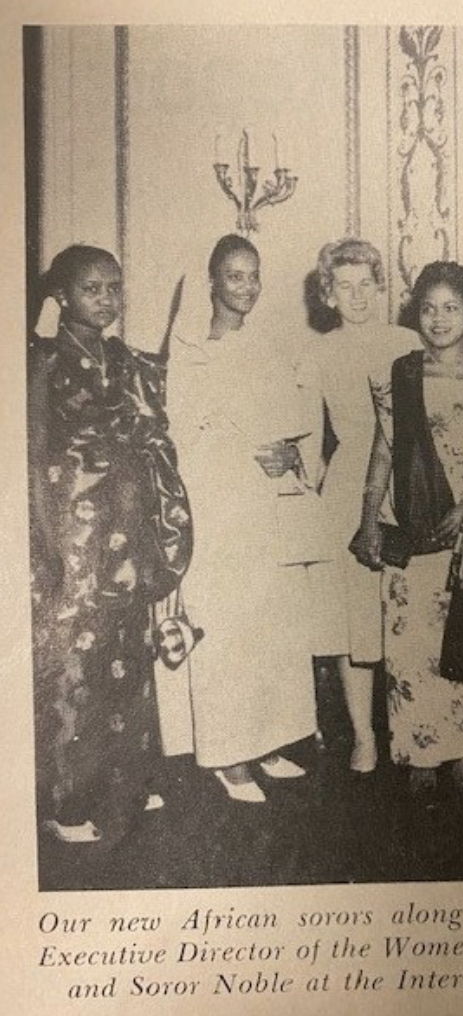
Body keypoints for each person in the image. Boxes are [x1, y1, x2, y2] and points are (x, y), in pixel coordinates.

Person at [28, 244, 192, 845]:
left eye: (113, 288)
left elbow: (155, 432)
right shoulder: (42, 361)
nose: (105, 299)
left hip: (128, 533)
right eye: (91, 289)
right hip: (73, 538)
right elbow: (32, 452)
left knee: (130, 654)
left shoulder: (126, 360)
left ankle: (126, 782)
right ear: (62, 296)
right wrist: (43, 541)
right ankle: (68, 801)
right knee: (77, 661)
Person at [353, 261, 463, 798]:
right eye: (428, 308)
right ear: (415, 314)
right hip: (412, 528)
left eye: (451, 308)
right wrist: (369, 520)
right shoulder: (399, 374)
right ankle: (421, 751)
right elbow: (383, 451)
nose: (439, 319)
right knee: (412, 643)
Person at [166, 234, 318, 803]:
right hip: (218, 503)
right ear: (212, 281)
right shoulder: (193, 350)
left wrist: (288, 453)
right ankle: (228, 754)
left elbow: (293, 419)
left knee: (271, 623)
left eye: (254, 276)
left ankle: (266, 739)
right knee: (228, 625)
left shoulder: (266, 346)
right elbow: (183, 434)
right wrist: (242, 454)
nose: (247, 287)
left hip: (265, 504)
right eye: (235, 276)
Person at [308, 238, 416, 773]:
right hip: (348, 485)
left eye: (366, 284)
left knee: (406, 607)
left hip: (408, 480)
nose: (356, 296)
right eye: (344, 286)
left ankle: (413, 729)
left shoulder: (408, 342)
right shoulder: (319, 352)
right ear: (328, 294)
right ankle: (364, 734)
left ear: (380, 287)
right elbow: (310, 438)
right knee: (355, 618)